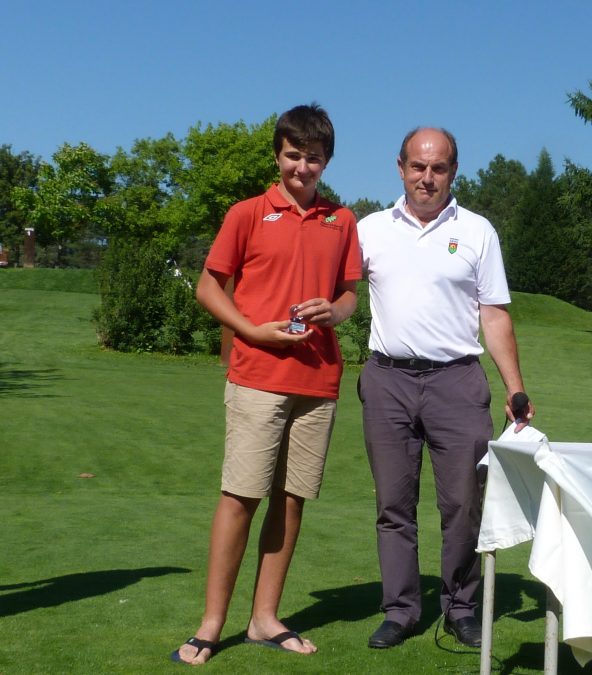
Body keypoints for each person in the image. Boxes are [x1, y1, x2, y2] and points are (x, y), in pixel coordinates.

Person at [171, 103, 361, 665]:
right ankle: (211, 623)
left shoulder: (341, 220)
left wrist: (337, 310)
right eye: (294, 155)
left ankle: (264, 618)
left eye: (314, 158)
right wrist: (252, 329)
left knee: (292, 498)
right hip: (257, 376)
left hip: (319, 379)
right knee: (240, 497)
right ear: (278, 154)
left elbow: (350, 294)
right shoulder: (248, 213)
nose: (303, 167)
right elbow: (209, 287)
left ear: (327, 161)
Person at [357, 127, 534, 650]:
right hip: (387, 377)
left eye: (438, 168)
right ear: (400, 167)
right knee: (394, 504)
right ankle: (401, 610)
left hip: (456, 380)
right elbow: (342, 294)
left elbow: (494, 314)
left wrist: (515, 388)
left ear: (453, 171)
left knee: (462, 503)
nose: (427, 178)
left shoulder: (477, 231)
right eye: (418, 167)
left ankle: (460, 605)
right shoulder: (369, 229)